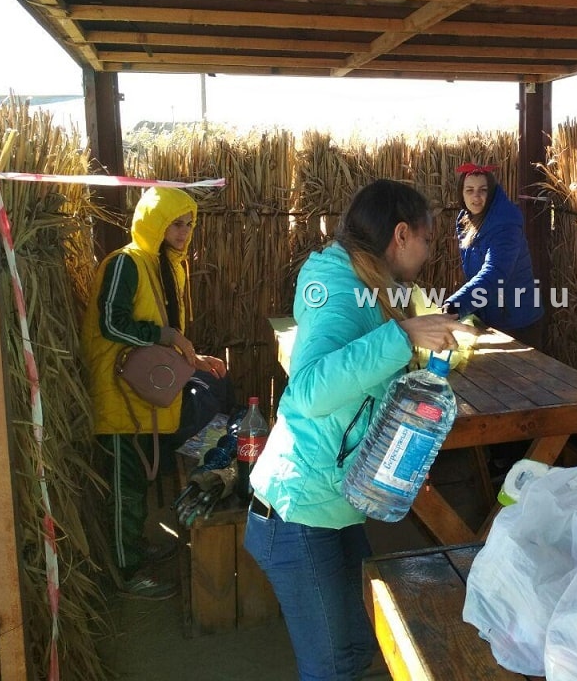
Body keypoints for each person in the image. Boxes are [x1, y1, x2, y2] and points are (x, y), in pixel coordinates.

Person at [244, 179, 473, 681]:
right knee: (334, 666)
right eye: (427, 239)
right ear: (401, 234)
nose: (429, 252)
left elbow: (363, 384)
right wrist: (403, 335)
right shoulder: (339, 288)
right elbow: (309, 389)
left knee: (358, 647)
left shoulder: (370, 285)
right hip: (297, 512)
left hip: (332, 502)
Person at [81, 186, 228, 599]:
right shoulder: (125, 263)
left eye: (188, 225)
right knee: (125, 488)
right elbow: (113, 324)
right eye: (174, 224)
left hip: (140, 395)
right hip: (118, 394)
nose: (183, 233)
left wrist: (192, 358)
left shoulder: (164, 267)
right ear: (154, 223)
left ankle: (133, 550)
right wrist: (170, 336)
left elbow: (159, 338)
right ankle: (125, 574)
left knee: (136, 485)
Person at [445, 163, 545, 348]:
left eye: (483, 190)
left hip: (517, 320)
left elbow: (494, 273)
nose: (476, 197)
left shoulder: (505, 225)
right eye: (469, 190)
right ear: (461, 193)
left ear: (491, 192)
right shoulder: (467, 219)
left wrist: (455, 306)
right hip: (491, 315)